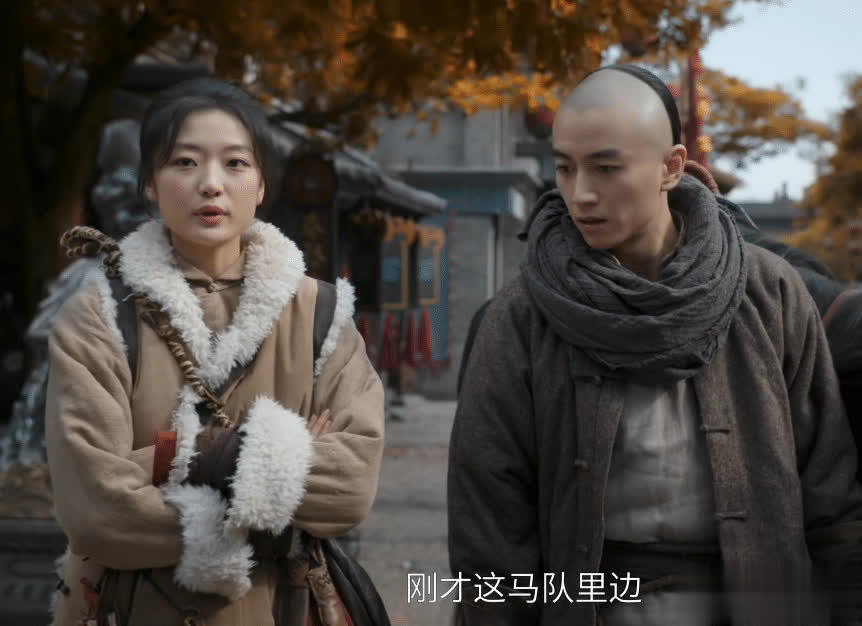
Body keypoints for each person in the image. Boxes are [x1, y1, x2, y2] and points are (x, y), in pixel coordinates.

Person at [448, 64, 862, 625]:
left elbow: (832, 501)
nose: (580, 194)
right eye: (565, 168)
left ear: (671, 167)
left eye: (606, 168)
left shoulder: (770, 296)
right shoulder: (520, 319)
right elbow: (487, 532)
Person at [45, 78, 385, 626]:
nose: (210, 184)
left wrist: (167, 460)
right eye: (184, 162)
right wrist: (265, 464)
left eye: (235, 163)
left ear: (261, 184)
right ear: (150, 182)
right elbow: (95, 509)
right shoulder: (99, 316)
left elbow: (350, 488)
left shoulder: (321, 315)